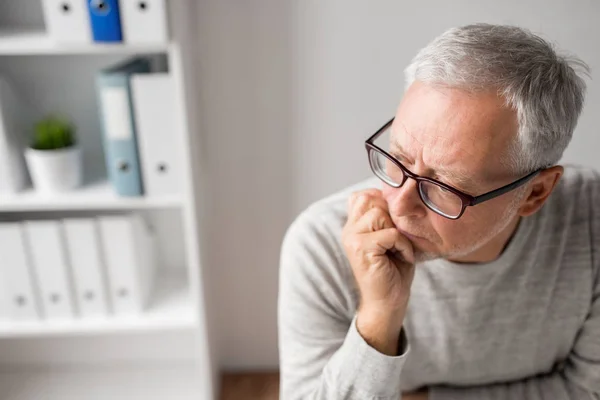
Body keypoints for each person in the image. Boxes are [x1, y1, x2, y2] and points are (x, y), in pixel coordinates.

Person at [278, 23, 599, 400]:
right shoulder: (321, 243)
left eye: (444, 187)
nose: (399, 204)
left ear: (535, 193)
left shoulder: (591, 224)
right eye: (398, 159)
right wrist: (380, 317)